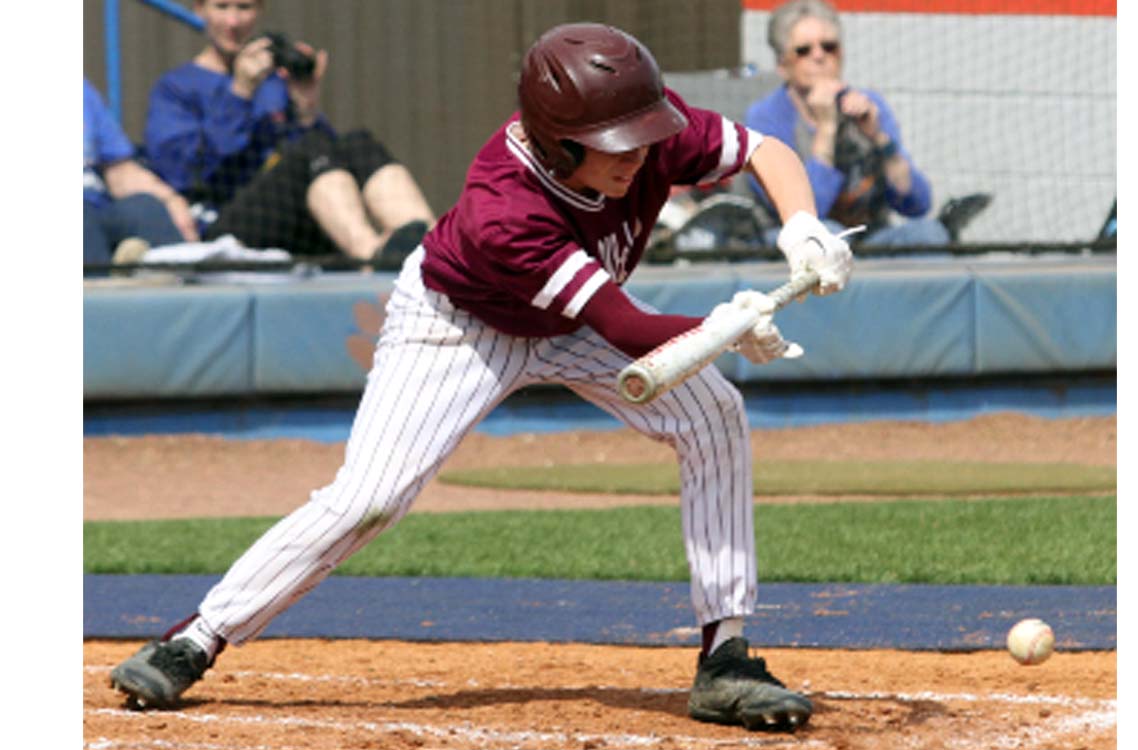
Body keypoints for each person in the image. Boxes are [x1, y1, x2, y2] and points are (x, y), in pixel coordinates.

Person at [110, 23, 854, 733]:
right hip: (460, 325)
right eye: (613, 145)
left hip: (572, 319)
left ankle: (725, 655)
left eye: (642, 135)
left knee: (713, 414)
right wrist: (729, 327)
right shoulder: (508, 207)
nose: (637, 156)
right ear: (558, 143)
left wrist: (802, 227)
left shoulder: (645, 126)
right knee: (370, 497)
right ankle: (197, 637)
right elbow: (625, 326)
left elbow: (764, 150)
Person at [143, 0, 437, 263]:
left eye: (244, 7)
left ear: (259, 11)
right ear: (200, 9)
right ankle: (371, 256)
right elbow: (184, 174)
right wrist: (240, 92)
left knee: (358, 143)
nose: (233, 21)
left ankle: (433, 251)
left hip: (296, 218)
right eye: (222, 7)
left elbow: (330, 160)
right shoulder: (175, 87)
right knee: (310, 149)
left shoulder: (275, 84)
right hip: (224, 225)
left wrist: (306, 110)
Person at [745, 0, 987, 247]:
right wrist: (827, 129)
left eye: (829, 47)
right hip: (796, 244)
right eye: (804, 50)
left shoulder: (869, 105)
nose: (819, 56)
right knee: (828, 236)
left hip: (868, 238)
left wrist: (879, 138)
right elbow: (805, 216)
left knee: (930, 234)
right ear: (783, 65)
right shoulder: (765, 118)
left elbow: (917, 205)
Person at [84, 79, 199, 275]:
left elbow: (120, 170)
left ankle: (181, 288)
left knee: (145, 207)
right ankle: (101, 289)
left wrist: (171, 200)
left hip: (100, 208)